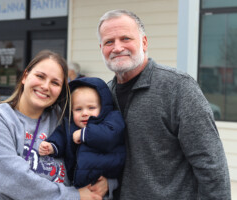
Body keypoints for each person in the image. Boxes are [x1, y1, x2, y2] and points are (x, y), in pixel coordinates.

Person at [97, 9, 231, 200]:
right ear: (101, 47)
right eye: (109, 42)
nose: (117, 48)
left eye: (126, 38)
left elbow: (211, 166)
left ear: (144, 42)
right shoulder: (104, 95)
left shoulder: (178, 87)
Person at [0, 50, 108, 200]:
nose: (45, 86)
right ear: (25, 76)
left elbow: (100, 149)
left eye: (55, 82)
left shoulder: (63, 119)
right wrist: (75, 196)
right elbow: (13, 182)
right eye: (40, 76)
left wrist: (108, 181)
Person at [39, 77, 126, 194]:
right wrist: (52, 146)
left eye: (91, 108)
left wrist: (84, 134)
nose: (85, 113)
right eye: (78, 109)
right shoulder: (70, 126)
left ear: (103, 107)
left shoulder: (111, 119)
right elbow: (61, 137)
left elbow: (110, 136)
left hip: (101, 179)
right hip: (77, 184)